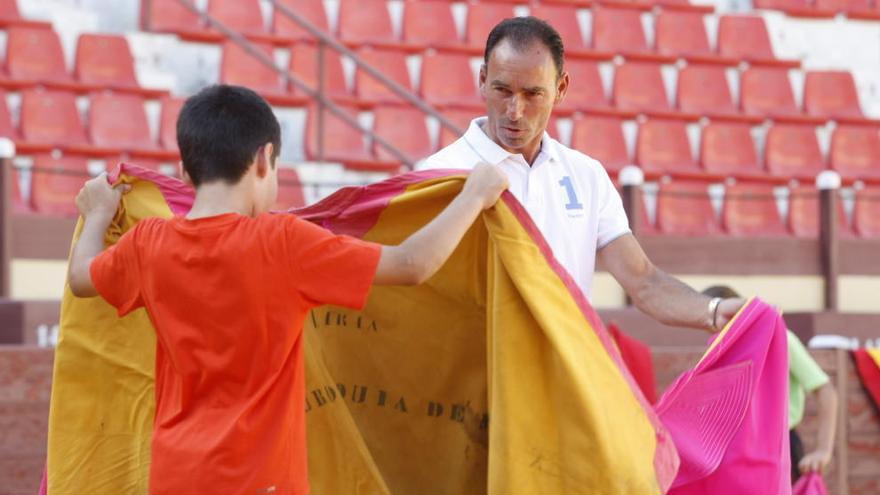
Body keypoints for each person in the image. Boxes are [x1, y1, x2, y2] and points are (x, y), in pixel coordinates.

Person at [66, 85, 509, 494]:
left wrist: (100, 213)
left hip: (175, 476)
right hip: (261, 481)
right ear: (264, 158)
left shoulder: (148, 243)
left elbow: (81, 277)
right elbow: (413, 264)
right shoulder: (281, 242)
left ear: (184, 171)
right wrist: (474, 195)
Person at [418, 16, 743, 332]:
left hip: (562, 375)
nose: (514, 111)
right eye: (503, 90)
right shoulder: (435, 175)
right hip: (477, 377)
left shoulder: (587, 175)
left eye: (533, 94)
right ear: (482, 80)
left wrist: (712, 311)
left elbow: (642, 280)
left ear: (561, 88)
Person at [704, 286, 838, 484]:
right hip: (738, 450)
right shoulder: (719, 347)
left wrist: (823, 450)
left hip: (780, 445)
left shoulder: (781, 338)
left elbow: (825, 390)